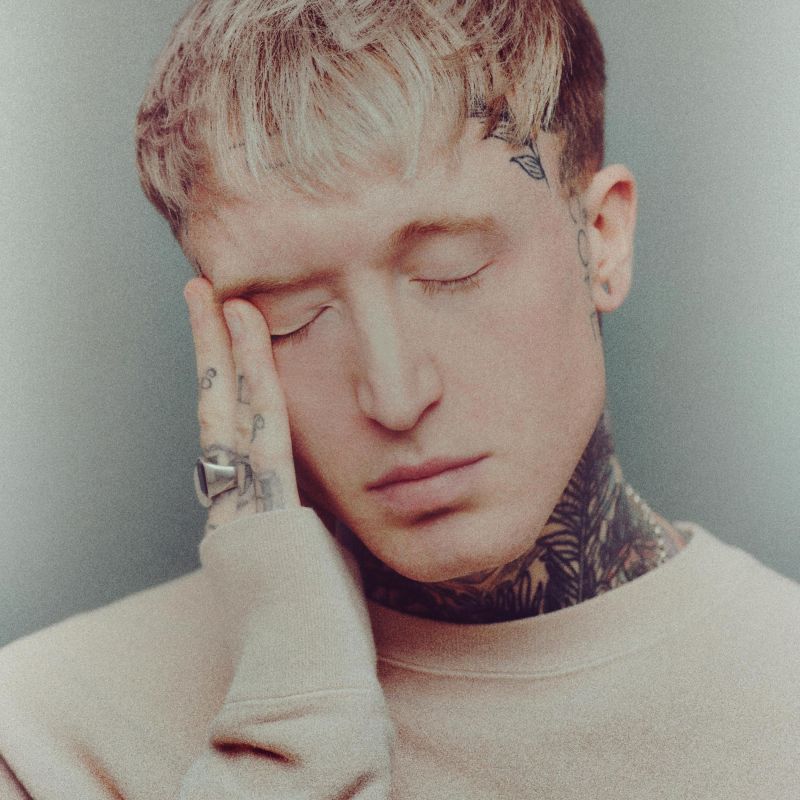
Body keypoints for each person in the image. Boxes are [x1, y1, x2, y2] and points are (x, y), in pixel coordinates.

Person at [1, 0, 798, 797]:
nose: (394, 396)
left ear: (603, 239)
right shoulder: (46, 741)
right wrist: (293, 718)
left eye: (453, 271)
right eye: (290, 316)